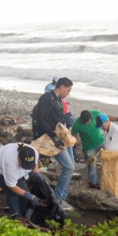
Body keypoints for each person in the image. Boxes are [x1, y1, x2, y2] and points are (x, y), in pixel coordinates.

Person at [34, 77, 75, 211]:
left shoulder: (58, 100)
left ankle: (61, 195)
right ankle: (58, 198)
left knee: (71, 165)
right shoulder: (47, 98)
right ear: (62, 87)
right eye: (68, 90)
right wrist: (53, 136)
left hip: (58, 136)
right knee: (68, 167)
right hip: (50, 138)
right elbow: (39, 118)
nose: (68, 93)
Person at [0, 143, 43, 219]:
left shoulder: (32, 152)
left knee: (22, 189)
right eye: (24, 165)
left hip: (11, 169)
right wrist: (30, 196)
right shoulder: (10, 164)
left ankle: (24, 213)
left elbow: (35, 165)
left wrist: (37, 175)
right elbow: (11, 186)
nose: (26, 168)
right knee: (12, 192)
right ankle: (16, 217)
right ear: (19, 158)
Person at [70, 110, 106, 188]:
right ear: (81, 119)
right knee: (92, 167)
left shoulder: (95, 114)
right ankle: (94, 187)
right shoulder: (76, 124)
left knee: (110, 161)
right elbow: (73, 137)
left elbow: (105, 118)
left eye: (88, 121)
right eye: (84, 122)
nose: (86, 123)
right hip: (89, 148)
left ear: (91, 117)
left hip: (101, 142)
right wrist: (73, 150)